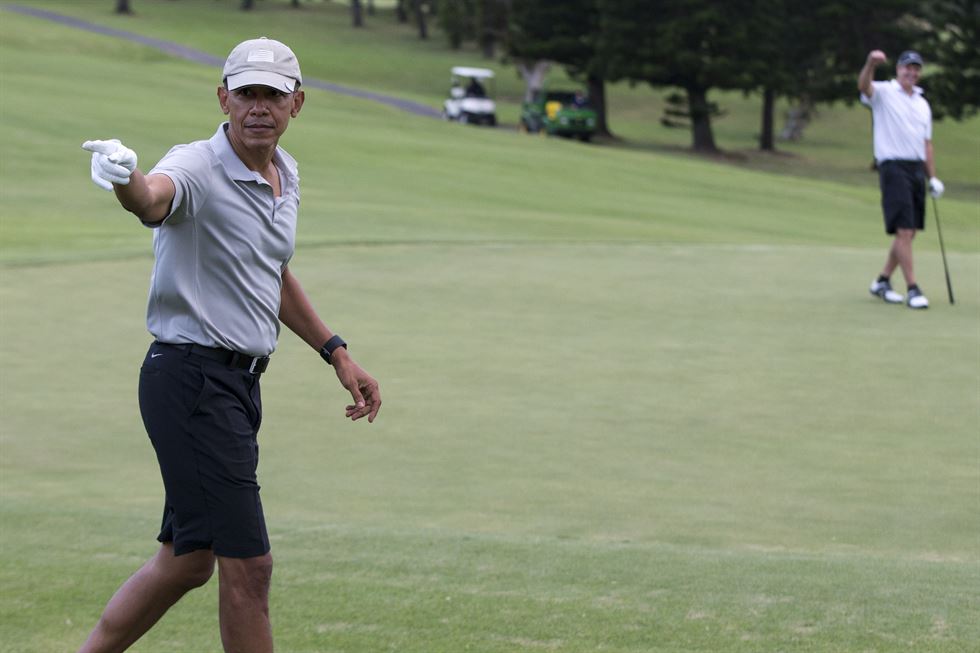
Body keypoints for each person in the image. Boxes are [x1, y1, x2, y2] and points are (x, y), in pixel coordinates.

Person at [77, 37, 381, 653]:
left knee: (189, 561)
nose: (258, 107)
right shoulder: (196, 165)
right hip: (191, 382)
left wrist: (336, 351)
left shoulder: (285, 175)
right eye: (246, 93)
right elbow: (153, 199)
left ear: (297, 103)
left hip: (234, 385)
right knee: (250, 566)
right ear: (223, 98)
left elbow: (269, 273)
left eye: (273, 94)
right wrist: (124, 178)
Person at [859, 49, 944, 309]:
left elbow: (926, 144)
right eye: (907, 68)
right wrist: (870, 64)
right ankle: (913, 288)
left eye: (916, 69)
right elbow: (864, 86)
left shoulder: (922, 103)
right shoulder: (883, 92)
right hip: (892, 166)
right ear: (898, 69)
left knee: (909, 233)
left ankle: (882, 280)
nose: (912, 72)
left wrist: (933, 177)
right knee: (904, 230)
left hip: (916, 169)